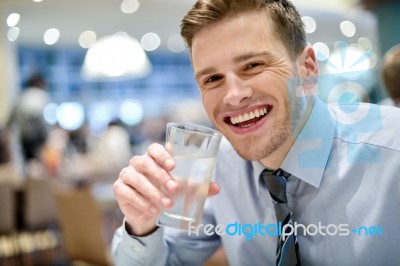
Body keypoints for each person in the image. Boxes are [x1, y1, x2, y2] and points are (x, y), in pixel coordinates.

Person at [111, 0, 400, 265]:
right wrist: (142, 224)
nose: (234, 95)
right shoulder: (216, 168)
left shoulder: (392, 151)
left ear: (308, 67)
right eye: (213, 78)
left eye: (253, 65)